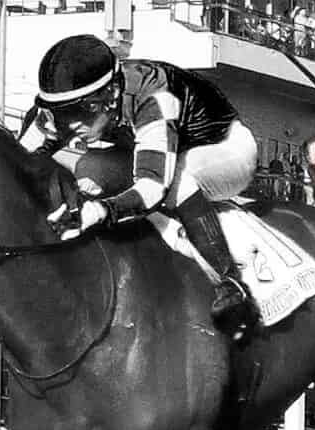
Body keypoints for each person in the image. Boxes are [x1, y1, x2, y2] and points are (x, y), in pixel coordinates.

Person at [25, 34, 262, 337]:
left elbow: (152, 187)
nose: (69, 126)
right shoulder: (72, 107)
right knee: (88, 167)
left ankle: (230, 282)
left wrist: (101, 211)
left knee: (178, 178)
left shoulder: (153, 92)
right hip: (150, 147)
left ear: (110, 96)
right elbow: (16, 156)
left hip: (224, 147)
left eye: (79, 112)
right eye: (62, 113)